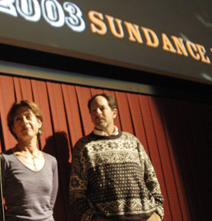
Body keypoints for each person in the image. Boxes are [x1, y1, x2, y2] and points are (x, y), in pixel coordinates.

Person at [69, 93, 164, 221]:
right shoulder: (84, 146)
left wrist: (157, 213)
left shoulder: (132, 141)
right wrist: (91, 218)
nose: (97, 112)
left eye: (102, 108)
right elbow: (76, 191)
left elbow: (151, 178)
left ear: (114, 113)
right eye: (93, 110)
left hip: (146, 217)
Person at [0, 99, 59, 221]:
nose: (24, 122)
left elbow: (50, 203)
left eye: (28, 116)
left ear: (39, 122)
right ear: (13, 128)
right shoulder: (4, 160)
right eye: (18, 119)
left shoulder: (51, 161)